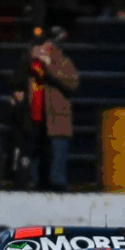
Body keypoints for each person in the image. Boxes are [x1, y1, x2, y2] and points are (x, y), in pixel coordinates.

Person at [9, 26, 79, 192]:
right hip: (34, 122)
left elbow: (73, 83)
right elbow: (15, 83)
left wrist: (49, 65)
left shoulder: (60, 60)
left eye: (41, 45)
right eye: (34, 45)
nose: (37, 49)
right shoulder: (27, 64)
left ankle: (59, 196)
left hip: (55, 123)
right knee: (35, 171)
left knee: (56, 171)